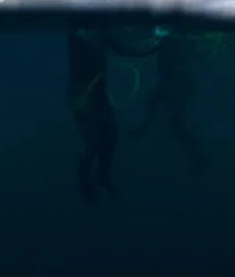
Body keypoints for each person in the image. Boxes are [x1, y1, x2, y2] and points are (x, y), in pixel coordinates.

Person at [127, 27, 209, 172]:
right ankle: (197, 156)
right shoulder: (170, 41)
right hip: (176, 83)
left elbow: (153, 50)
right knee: (162, 109)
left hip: (177, 84)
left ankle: (198, 156)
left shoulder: (173, 42)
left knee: (171, 118)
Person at [66, 24, 119, 203]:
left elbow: (120, 48)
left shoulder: (100, 36)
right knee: (92, 142)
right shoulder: (78, 41)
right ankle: (86, 183)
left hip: (97, 96)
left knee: (110, 137)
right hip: (84, 98)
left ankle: (102, 176)